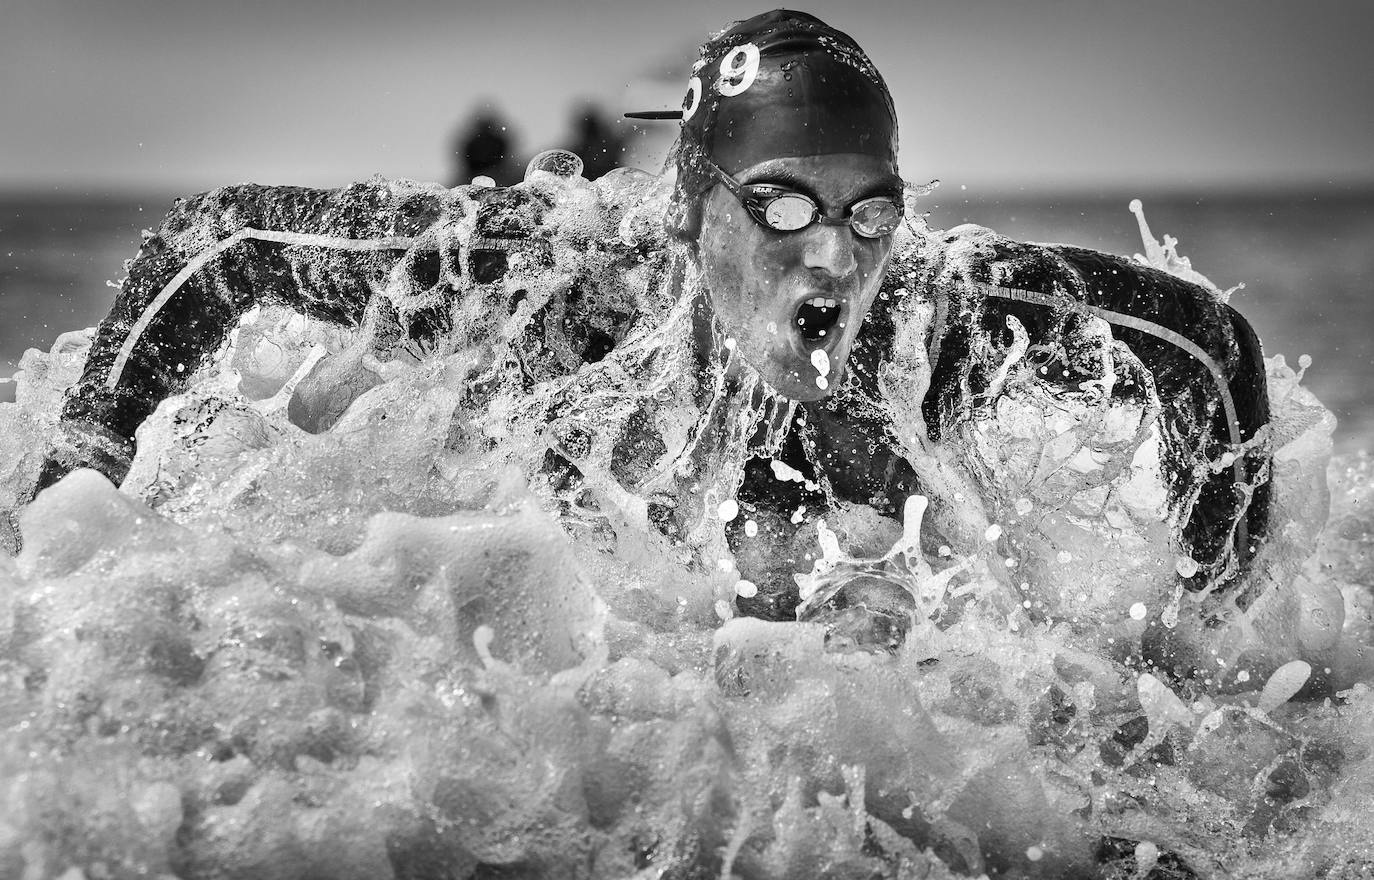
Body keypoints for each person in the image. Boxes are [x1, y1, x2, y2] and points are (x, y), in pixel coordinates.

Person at [6, 11, 1272, 667]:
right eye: (781, 203)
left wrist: (1213, 627)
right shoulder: (555, 286)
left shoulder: (937, 314)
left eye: (868, 209)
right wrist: (65, 506)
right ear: (693, 206)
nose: (834, 255)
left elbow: (1207, 347)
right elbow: (217, 245)